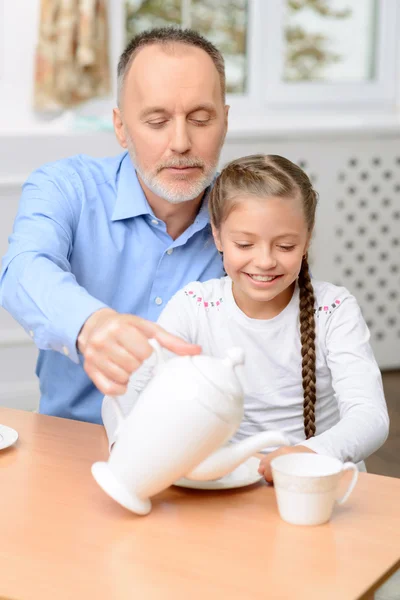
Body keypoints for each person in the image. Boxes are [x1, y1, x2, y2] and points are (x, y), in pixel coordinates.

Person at [102, 154, 389, 481]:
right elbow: (130, 387)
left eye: (284, 245)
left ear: (307, 240)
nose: (264, 261)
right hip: (224, 486)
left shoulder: (334, 310)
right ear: (218, 236)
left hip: (318, 483)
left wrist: (310, 454)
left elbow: (370, 417)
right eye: (244, 243)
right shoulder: (195, 306)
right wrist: (123, 448)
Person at [0, 28, 230, 423]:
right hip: (74, 440)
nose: (180, 142)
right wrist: (93, 324)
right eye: (157, 121)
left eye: (201, 119)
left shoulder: (249, 217)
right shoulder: (64, 187)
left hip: (203, 452)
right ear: (121, 127)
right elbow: (23, 269)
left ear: (225, 121)